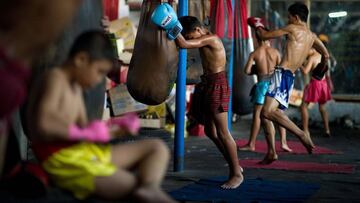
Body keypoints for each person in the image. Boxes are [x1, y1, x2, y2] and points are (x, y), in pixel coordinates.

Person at [26, 31, 176, 203]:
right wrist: (83, 134)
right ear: (81, 60)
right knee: (130, 185)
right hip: (63, 161)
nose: (100, 80)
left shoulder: (76, 88)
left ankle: (150, 188)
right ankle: (145, 191)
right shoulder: (55, 78)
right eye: (99, 72)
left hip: (84, 153)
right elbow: (43, 124)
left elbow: (86, 131)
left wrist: (115, 129)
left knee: (156, 148)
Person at [159, 14, 244, 188]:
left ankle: (236, 173)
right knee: (210, 131)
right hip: (207, 83)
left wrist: (170, 24)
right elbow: (184, 42)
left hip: (218, 84)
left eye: (190, 35)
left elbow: (183, 44)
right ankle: (235, 164)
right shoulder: (204, 37)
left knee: (222, 132)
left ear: (198, 29)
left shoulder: (212, 39)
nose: (189, 39)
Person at [248, 2, 329, 164]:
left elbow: (264, 36)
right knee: (267, 115)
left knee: (266, 113)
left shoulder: (292, 28)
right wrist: (321, 69)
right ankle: (271, 152)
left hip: (281, 74)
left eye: (289, 17)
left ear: (296, 17)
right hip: (289, 78)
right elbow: (326, 55)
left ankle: (301, 134)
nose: (288, 19)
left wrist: (257, 25)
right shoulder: (312, 36)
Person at [239, 30, 292, 153]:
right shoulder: (275, 52)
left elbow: (246, 71)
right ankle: (284, 143)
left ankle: (251, 144)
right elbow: (283, 70)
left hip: (262, 84)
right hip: (275, 84)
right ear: (269, 38)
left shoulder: (255, 53)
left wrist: (257, 69)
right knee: (278, 113)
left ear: (257, 39)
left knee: (257, 115)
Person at [300, 48, 332, 137]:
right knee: (322, 108)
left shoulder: (312, 58)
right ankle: (327, 130)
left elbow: (305, 71)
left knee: (303, 107)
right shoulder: (323, 57)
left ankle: (306, 131)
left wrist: (299, 64)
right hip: (323, 84)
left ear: (313, 48)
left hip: (315, 84)